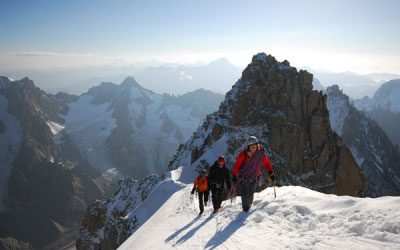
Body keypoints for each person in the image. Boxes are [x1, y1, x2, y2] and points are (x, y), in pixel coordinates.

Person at [232, 136, 275, 212]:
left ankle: (249, 205)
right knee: (245, 193)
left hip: (254, 176)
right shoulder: (243, 155)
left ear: (257, 145)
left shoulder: (260, 154)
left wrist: (270, 172)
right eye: (251, 146)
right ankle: (245, 209)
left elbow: (266, 162)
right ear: (248, 147)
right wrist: (234, 175)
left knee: (251, 192)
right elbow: (237, 165)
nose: (253, 148)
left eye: (254, 146)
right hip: (244, 177)